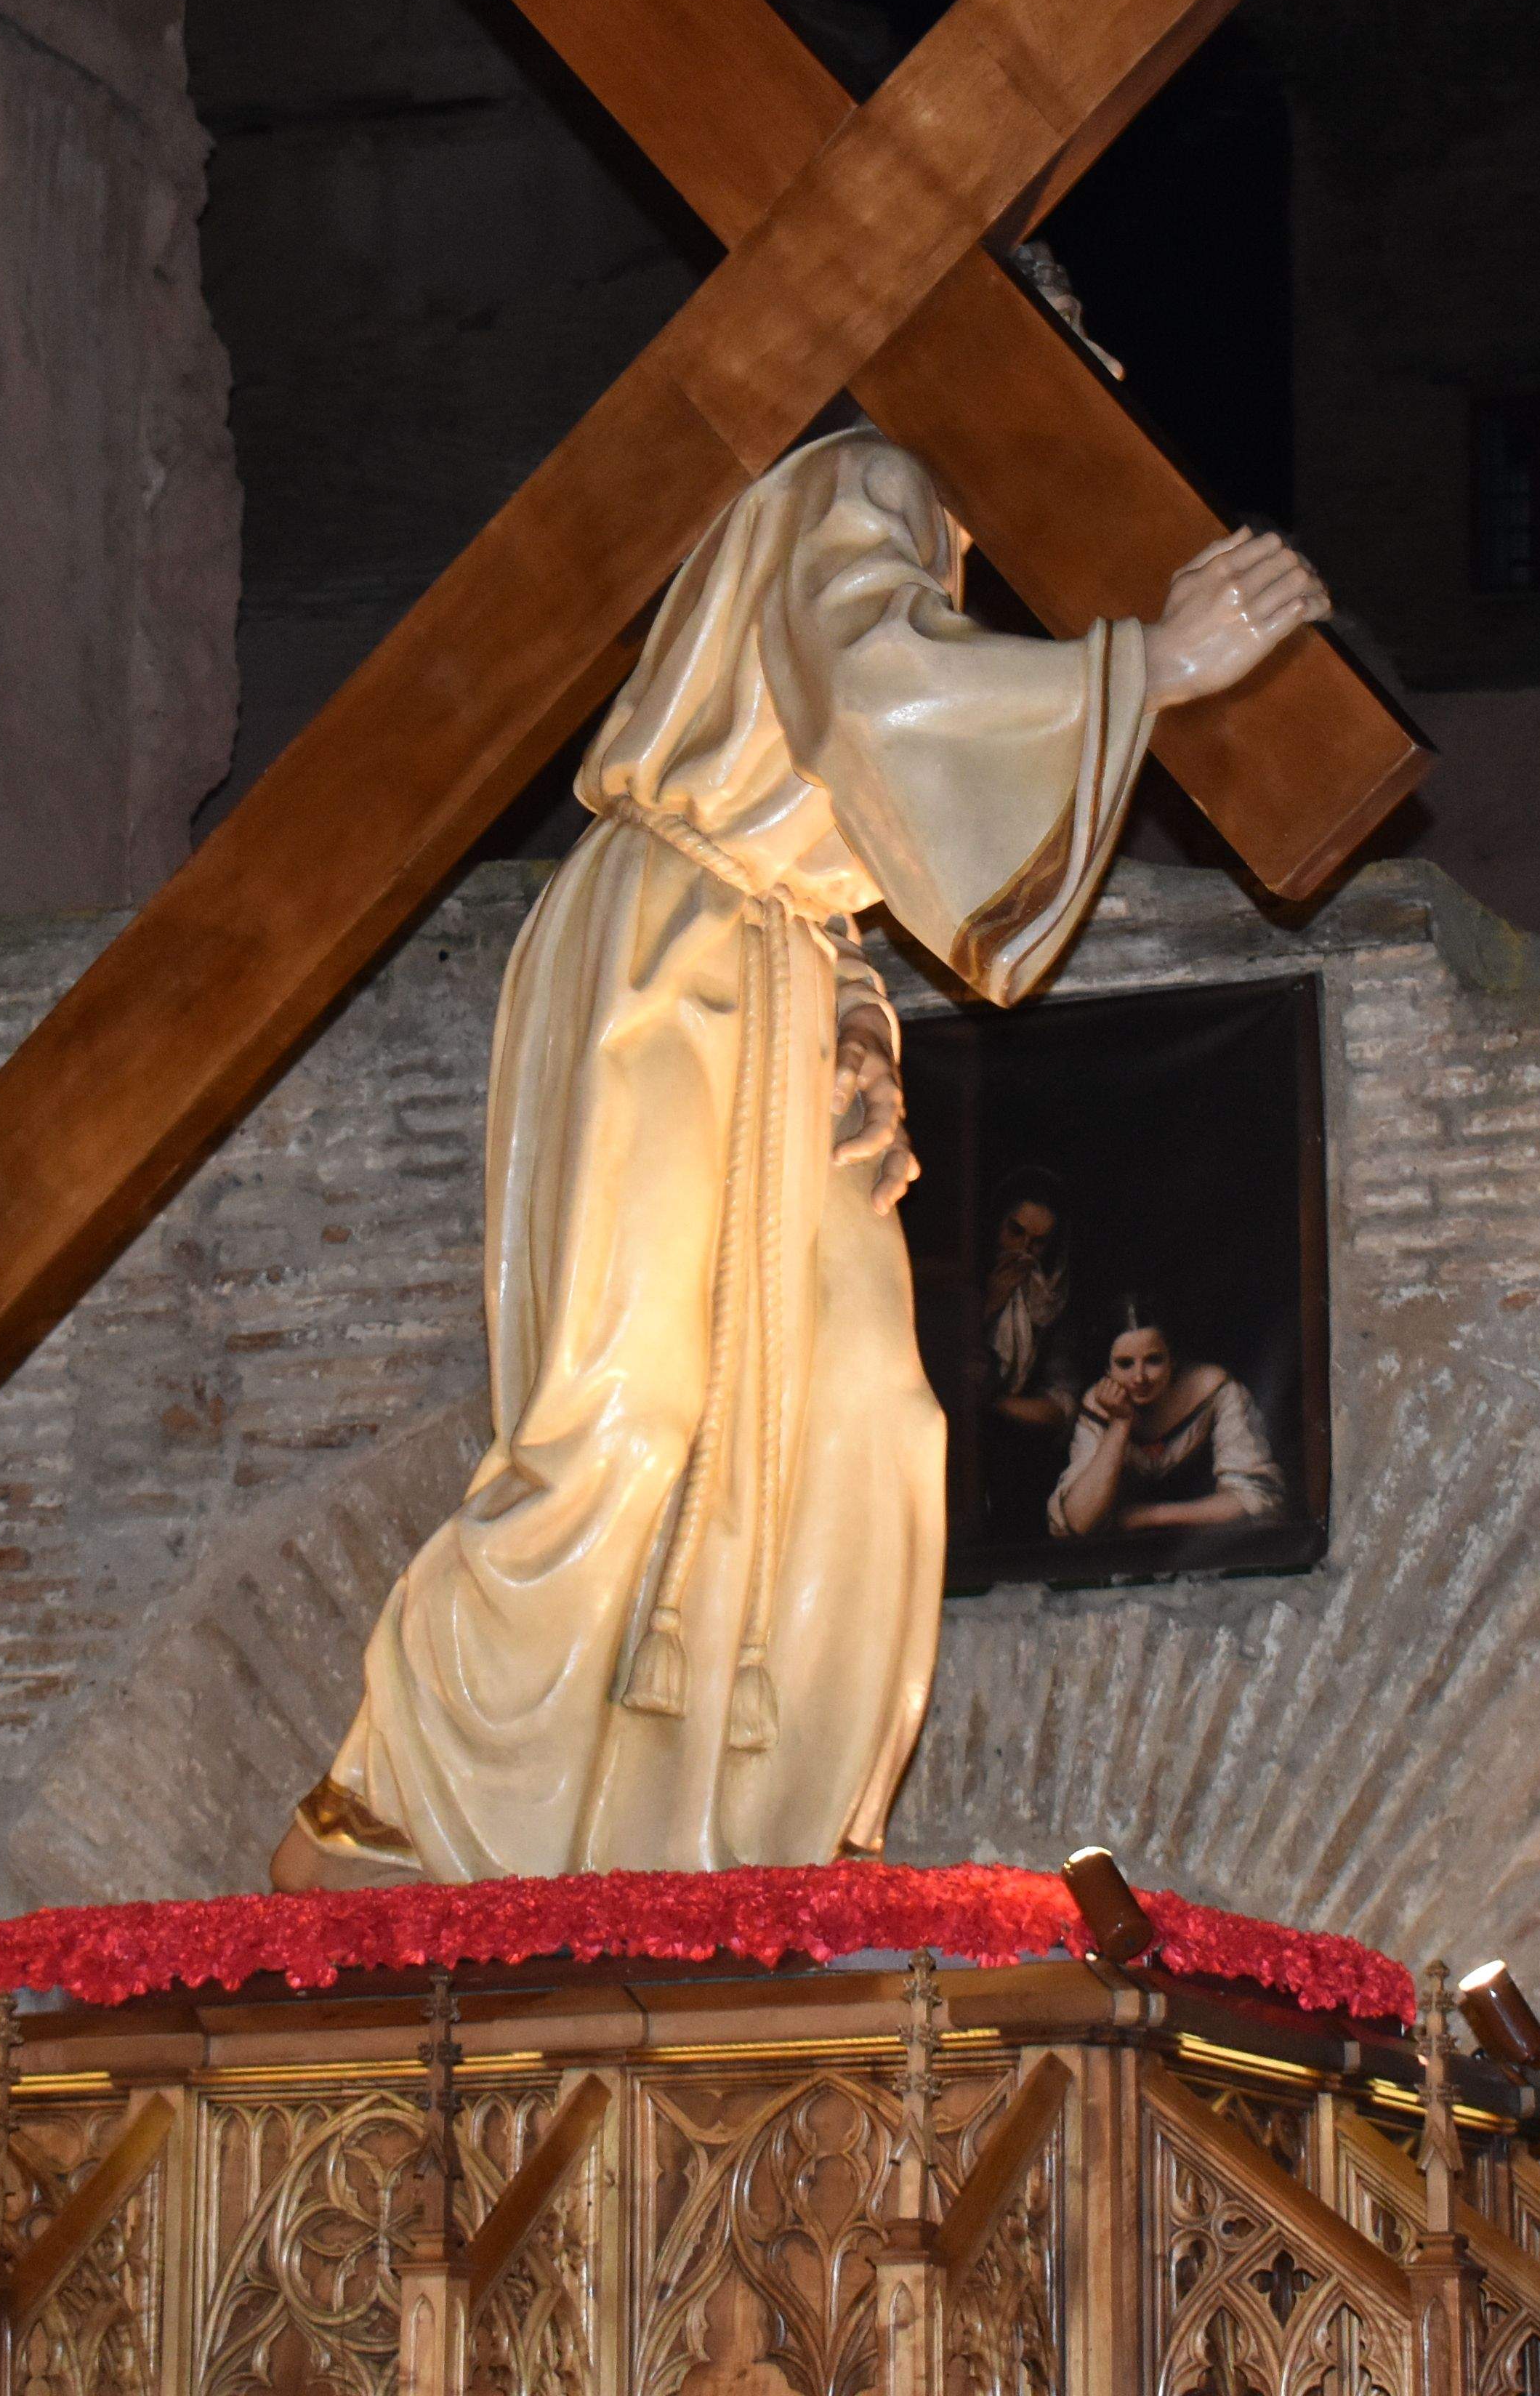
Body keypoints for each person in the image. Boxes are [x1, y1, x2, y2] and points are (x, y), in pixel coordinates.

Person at [272, 428, 1327, 1887]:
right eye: (1080, 350)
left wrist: (854, 1011)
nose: (1106, 388)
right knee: (629, 1407)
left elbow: (853, 805)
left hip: (781, 960)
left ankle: (747, 1849)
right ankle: (392, 1815)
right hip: (672, 951)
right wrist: (1151, 662)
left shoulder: (928, 525)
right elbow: (874, 679)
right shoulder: (874, 472)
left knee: (871, 1414)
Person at [1045, 1299, 1285, 1536]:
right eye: (1125, 1364)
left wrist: (1150, 1516)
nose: (1140, 1378)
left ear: (1173, 1358)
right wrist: (1120, 1423)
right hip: (1122, 1554)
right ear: (1108, 1369)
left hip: (1209, 1545)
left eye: (1153, 1360)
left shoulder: (1214, 1390)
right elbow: (1078, 1522)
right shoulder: (1101, 1404)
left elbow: (1257, 1499)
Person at [975, 1169, 1080, 1443]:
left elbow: (1061, 1406)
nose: (1023, 1249)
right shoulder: (971, 1278)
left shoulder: (1051, 1301)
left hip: (1020, 1441)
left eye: (1038, 1242)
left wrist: (995, 1403)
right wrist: (991, 1305)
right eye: (1015, 1232)